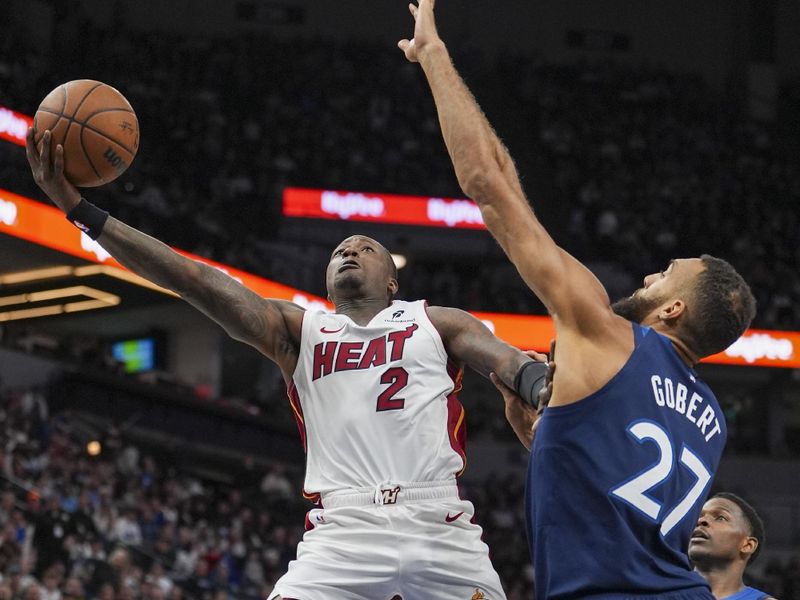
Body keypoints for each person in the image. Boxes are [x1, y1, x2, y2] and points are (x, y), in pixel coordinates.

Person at [26, 128, 548, 599]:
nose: (351, 249)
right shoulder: (300, 331)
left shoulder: (436, 321)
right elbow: (193, 280)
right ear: (325, 281)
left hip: (439, 522)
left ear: (393, 282)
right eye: (342, 247)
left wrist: (537, 384)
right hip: (342, 533)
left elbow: (504, 360)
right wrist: (83, 213)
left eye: (366, 247)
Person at [399, 1, 757, 598]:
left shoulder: (609, 333)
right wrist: (542, 438)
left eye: (665, 275)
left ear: (673, 310)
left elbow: (489, 186)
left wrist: (434, 55)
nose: (648, 276)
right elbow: (616, 490)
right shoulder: (711, 420)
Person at [689, 493, 776, 600]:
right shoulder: (665, 592)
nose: (700, 521)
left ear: (747, 545)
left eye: (720, 518)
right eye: (699, 516)